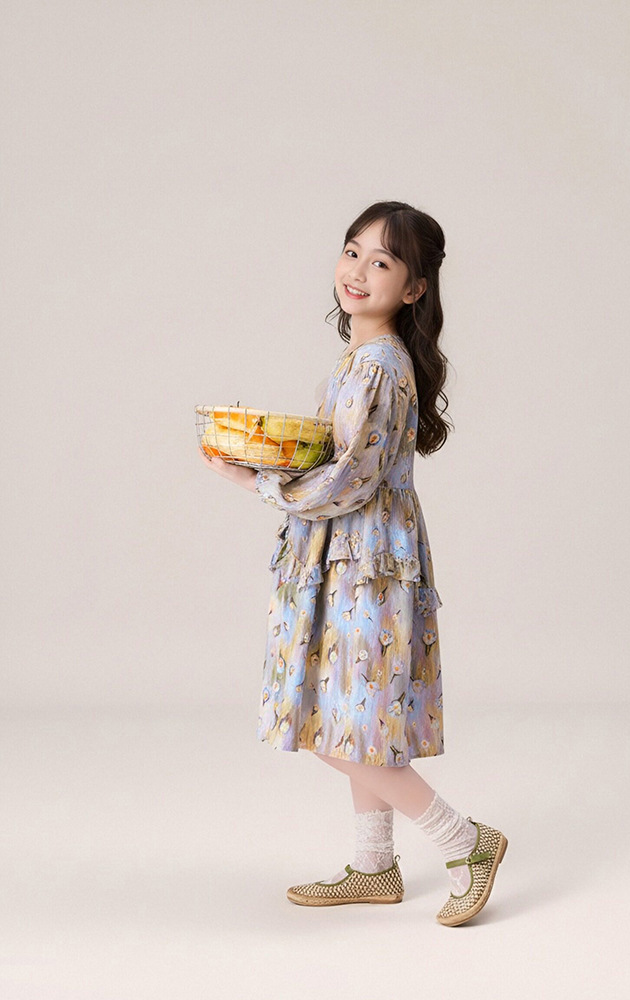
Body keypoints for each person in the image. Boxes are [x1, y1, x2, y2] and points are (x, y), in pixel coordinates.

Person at [198, 200, 507, 926]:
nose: (358, 270)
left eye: (382, 261)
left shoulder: (377, 365)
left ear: (414, 287)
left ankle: (466, 843)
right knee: (354, 716)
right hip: (357, 558)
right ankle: (374, 865)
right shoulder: (367, 360)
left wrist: (256, 481)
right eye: (351, 251)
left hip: (363, 565)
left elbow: (350, 480)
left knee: (331, 721)